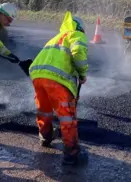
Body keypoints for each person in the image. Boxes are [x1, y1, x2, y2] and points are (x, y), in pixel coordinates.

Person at [28, 11, 89, 166]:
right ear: (80, 28)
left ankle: (45, 137)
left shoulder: (56, 38)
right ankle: (71, 154)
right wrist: (82, 73)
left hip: (38, 75)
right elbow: (79, 53)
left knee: (44, 110)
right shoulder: (76, 35)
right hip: (56, 80)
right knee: (67, 116)